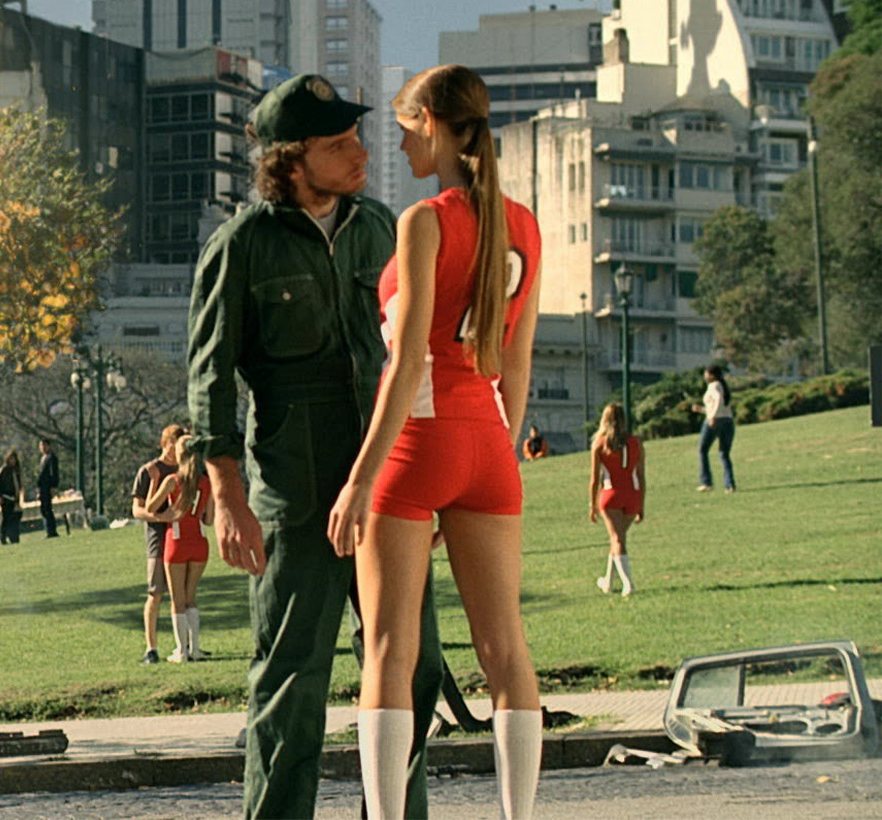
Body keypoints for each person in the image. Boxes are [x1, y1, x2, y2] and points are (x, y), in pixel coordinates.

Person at [187, 73, 448, 819]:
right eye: (338, 144)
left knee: (413, 669)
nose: (361, 152)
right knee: (291, 679)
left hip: (389, 485)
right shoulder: (240, 247)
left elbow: (417, 359)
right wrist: (228, 502)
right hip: (295, 496)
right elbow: (209, 379)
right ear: (291, 160)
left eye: (358, 137)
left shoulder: (383, 230)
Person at [325, 65, 544, 820]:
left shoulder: (425, 221)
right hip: (488, 443)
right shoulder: (524, 223)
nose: (397, 139)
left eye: (403, 124)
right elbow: (516, 362)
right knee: (506, 652)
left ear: (431, 123)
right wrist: (498, 450)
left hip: (419, 441)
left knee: (389, 650)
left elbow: (409, 359)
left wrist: (361, 477)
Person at [145, 435, 212, 663]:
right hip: (200, 541)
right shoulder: (206, 482)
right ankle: (196, 648)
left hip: (177, 541)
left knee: (177, 599)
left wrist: (155, 482)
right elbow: (209, 518)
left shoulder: (172, 480)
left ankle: (181, 651)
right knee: (191, 596)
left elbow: (151, 507)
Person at [129, 425, 186, 665]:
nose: (176, 449)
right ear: (164, 443)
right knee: (156, 593)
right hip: (158, 538)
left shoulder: (185, 471)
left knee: (181, 594)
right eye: (173, 443)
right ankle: (151, 648)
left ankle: (184, 645)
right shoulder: (150, 471)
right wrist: (160, 518)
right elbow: (137, 509)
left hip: (182, 537)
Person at [589, 403, 644, 597]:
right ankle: (607, 581)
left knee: (617, 539)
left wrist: (592, 504)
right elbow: (641, 475)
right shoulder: (636, 443)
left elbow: (595, 479)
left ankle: (628, 584)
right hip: (633, 494)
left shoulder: (600, 443)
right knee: (617, 538)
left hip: (610, 494)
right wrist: (641, 505)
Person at [692, 364, 736, 493]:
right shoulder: (722, 386)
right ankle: (730, 484)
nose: (705, 376)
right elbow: (718, 405)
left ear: (711, 375)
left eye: (706, 374)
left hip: (716, 421)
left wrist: (712, 417)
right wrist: (701, 410)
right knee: (724, 453)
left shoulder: (714, 385)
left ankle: (706, 482)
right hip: (727, 420)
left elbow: (717, 400)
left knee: (702, 449)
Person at [0, 451, 23, 545]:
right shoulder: (3, 470)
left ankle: (14, 537)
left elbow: (18, 483)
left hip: (14, 498)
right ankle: (3, 537)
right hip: (6, 497)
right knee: (6, 517)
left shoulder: (16, 470)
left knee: (15, 518)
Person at [36, 440, 61, 538]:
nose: (43, 447)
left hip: (48, 487)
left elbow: (54, 473)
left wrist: (53, 486)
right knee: (44, 509)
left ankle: (52, 531)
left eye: (44, 445)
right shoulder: (43, 458)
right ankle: (49, 529)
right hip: (42, 487)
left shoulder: (52, 458)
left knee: (47, 508)